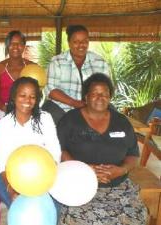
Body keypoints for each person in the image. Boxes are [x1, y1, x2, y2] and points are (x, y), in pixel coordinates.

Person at [57, 73, 147, 225]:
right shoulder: (70, 120)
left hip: (118, 185)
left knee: (137, 217)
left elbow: (133, 154)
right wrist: (84, 171)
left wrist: (121, 170)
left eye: (105, 94)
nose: (100, 97)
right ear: (86, 97)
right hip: (80, 184)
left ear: (110, 97)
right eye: (95, 93)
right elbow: (59, 149)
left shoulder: (121, 122)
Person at [0, 77, 61, 208]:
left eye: (32, 96)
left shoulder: (45, 119)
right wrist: (11, 189)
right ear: (14, 97)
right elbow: (2, 164)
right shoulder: (3, 125)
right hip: (11, 177)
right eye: (22, 95)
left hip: (43, 174)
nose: (27, 100)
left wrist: (44, 182)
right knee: (23, 208)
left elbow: (55, 153)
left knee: (48, 209)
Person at [42, 25, 110, 125]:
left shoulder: (100, 62)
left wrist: (92, 105)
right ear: (69, 43)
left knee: (113, 116)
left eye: (84, 41)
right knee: (46, 114)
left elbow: (107, 90)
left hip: (92, 109)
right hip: (62, 109)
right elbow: (51, 90)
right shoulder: (57, 61)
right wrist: (75, 103)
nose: (81, 45)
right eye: (76, 42)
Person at [0, 30, 34, 116]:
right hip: (3, 110)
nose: (15, 46)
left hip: (26, 109)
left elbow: (37, 93)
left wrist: (25, 109)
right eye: (12, 43)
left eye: (19, 43)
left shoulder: (32, 67)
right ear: (7, 46)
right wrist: (5, 109)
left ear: (24, 46)